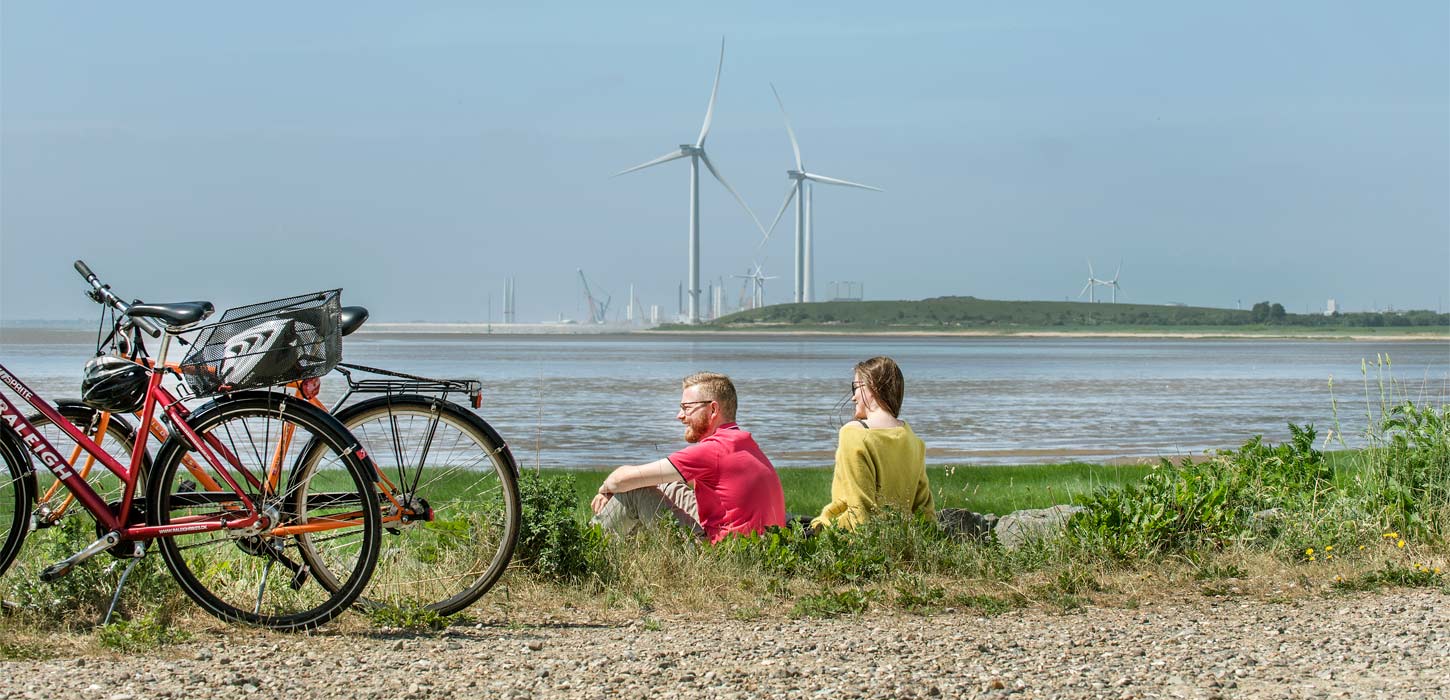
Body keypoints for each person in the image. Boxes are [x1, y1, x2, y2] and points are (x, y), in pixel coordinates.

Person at [590, 371, 786, 543]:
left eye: (686, 407)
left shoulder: (712, 450)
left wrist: (605, 489)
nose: (679, 416)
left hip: (721, 553)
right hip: (753, 547)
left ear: (713, 409)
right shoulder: (745, 444)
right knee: (667, 486)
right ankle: (626, 553)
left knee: (633, 492)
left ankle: (587, 552)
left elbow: (620, 480)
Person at [812, 356, 935, 530]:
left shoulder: (854, 434)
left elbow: (860, 508)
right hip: (898, 538)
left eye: (855, 387)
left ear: (873, 387)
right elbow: (925, 511)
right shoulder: (914, 441)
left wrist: (867, 552)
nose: (853, 397)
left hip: (843, 537)